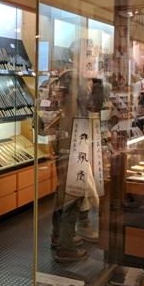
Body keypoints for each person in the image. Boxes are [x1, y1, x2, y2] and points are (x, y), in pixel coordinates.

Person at [50, 69, 100, 262]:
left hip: (65, 156)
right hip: (74, 157)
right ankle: (65, 247)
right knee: (73, 198)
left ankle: (59, 236)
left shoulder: (65, 106)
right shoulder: (75, 107)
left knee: (63, 196)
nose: (87, 88)